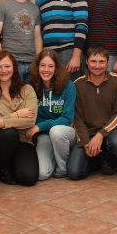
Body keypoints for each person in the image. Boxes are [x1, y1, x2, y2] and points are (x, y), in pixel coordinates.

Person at [68, 45, 117, 180]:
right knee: (74, 173)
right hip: (88, 134)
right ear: (87, 62)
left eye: (101, 62)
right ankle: (99, 158)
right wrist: (84, 143)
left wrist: (101, 134)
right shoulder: (77, 84)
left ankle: (111, 157)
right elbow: (77, 117)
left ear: (108, 62)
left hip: (112, 131)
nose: (97, 66)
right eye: (93, 61)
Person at [0, 51, 39, 186]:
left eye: (7, 66)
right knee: (9, 133)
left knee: (29, 178)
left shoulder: (27, 89)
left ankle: (13, 163)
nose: (3, 71)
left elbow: (30, 121)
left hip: (23, 140)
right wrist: (17, 115)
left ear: (14, 68)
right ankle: (4, 168)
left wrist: (1, 122)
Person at [36, 0, 88, 81]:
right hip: (48, 54)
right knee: (52, 96)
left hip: (69, 53)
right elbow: (40, 31)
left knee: (71, 94)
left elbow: (82, 25)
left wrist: (76, 56)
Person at [27, 49, 76, 180]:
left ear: (56, 68)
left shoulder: (68, 86)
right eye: (42, 65)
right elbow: (31, 116)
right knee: (41, 174)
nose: (46, 70)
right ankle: (54, 155)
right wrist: (41, 127)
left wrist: (40, 126)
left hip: (65, 133)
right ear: (37, 67)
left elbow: (67, 119)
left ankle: (63, 167)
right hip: (44, 134)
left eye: (50, 66)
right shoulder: (31, 87)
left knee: (56, 131)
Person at [0, 0, 42, 83]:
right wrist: (1, 62)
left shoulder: (35, 8)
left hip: (32, 64)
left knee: (30, 99)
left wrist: (39, 62)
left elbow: (37, 37)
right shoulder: (2, 5)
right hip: (11, 63)